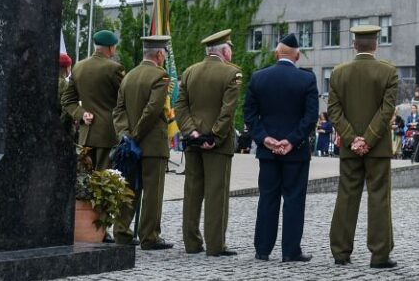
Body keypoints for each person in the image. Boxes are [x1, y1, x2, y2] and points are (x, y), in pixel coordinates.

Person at [327, 23, 400, 268]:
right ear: (376, 44)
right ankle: (379, 255)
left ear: (354, 44)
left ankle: (340, 251)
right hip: (377, 148)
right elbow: (386, 110)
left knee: (346, 196)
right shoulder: (388, 72)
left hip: (350, 148)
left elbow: (334, 112)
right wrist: (368, 139)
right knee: (379, 198)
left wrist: (352, 139)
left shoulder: (338, 73)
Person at [243, 33, 318, 262]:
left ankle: (262, 249)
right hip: (295, 152)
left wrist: (265, 139)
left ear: (277, 53)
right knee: (294, 199)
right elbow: (310, 116)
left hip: (268, 152)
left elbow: (249, 114)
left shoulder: (258, 78)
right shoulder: (307, 79)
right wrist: (291, 140)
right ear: (297, 56)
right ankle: (290, 251)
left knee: (268, 198)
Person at [176, 29, 241, 257]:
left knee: (192, 192)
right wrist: (214, 136)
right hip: (218, 145)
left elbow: (180, 107)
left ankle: (191, 243)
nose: (231, 53)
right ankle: (215, 245)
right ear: (224, 50)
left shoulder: (189, 72)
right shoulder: (231, 74)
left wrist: (192, 132)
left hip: (192, 143)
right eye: (230, 49)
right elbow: (227, 111)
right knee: (216, 194)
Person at [113, 34, 174, 250]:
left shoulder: (128, 76)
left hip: (128, 144)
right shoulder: (161, 76)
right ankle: (149, 236)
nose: (164, 58)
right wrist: (136, 136)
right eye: (164, 55)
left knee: (128, 189)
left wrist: (125, 135)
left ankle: (121, 232)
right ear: (159, 54)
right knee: (152, 192)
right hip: (152, 145)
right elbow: (153, 109)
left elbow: (118, 110)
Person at [59, 30, 125, 170]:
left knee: (86, 181)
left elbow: (67, 99)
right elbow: (124, 99)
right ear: (110, 48)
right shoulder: (114, 68)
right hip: (108, 135)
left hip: (86, 134)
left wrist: (81, 114)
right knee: (106, 182)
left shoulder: (78, 67)